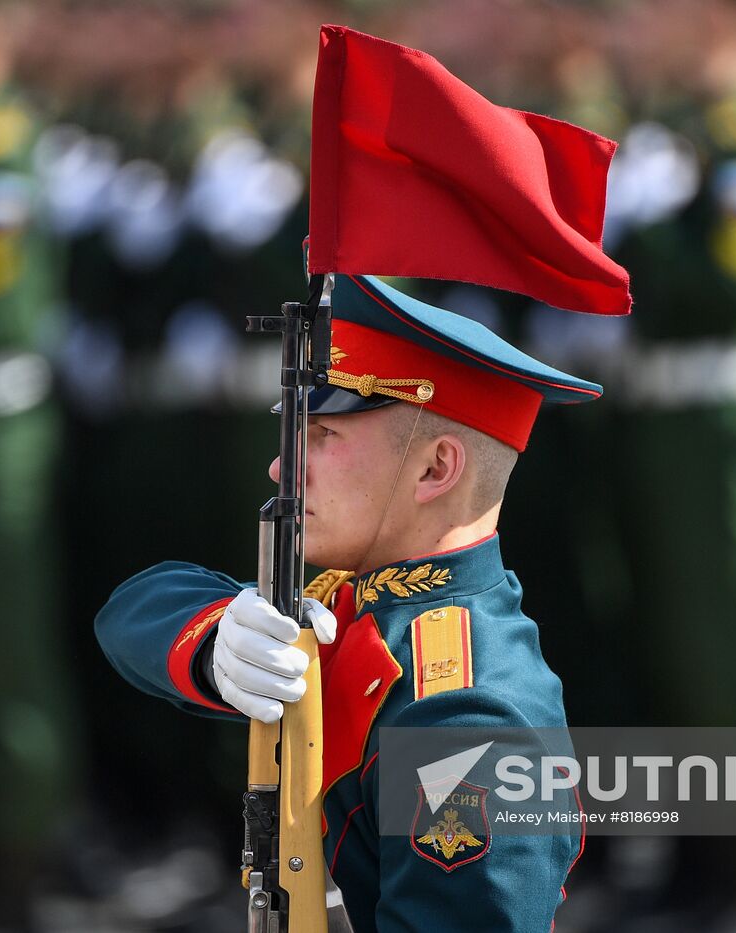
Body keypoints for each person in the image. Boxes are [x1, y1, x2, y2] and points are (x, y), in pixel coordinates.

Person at [96, 271, 595, 932]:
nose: (282, 466)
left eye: (324, 436)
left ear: (435, 469)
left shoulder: (467, 719)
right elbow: (132, 609)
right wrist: (219, 645)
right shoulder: (360, 605)